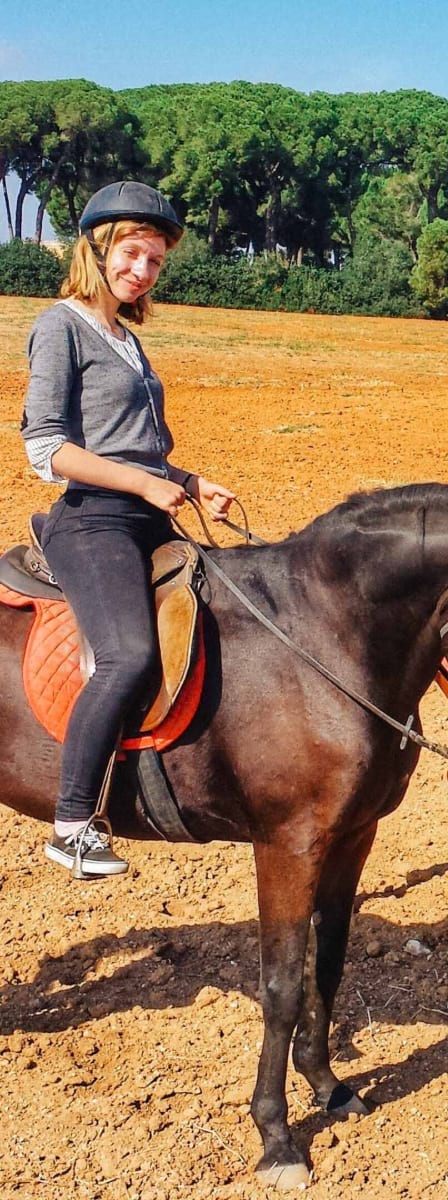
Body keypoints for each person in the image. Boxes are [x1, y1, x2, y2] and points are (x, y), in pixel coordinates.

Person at [21, 180, 235, 878]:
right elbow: (46, 448)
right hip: (93, 521)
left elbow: (140, 448)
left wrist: (191, 481)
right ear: (98, 249)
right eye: (132, 254)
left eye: (154, 262)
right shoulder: (61, 325)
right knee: (128, 657)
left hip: (149, 512)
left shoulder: (124, 338)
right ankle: (73, 822)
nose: (142, 271)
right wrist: (147, 482)